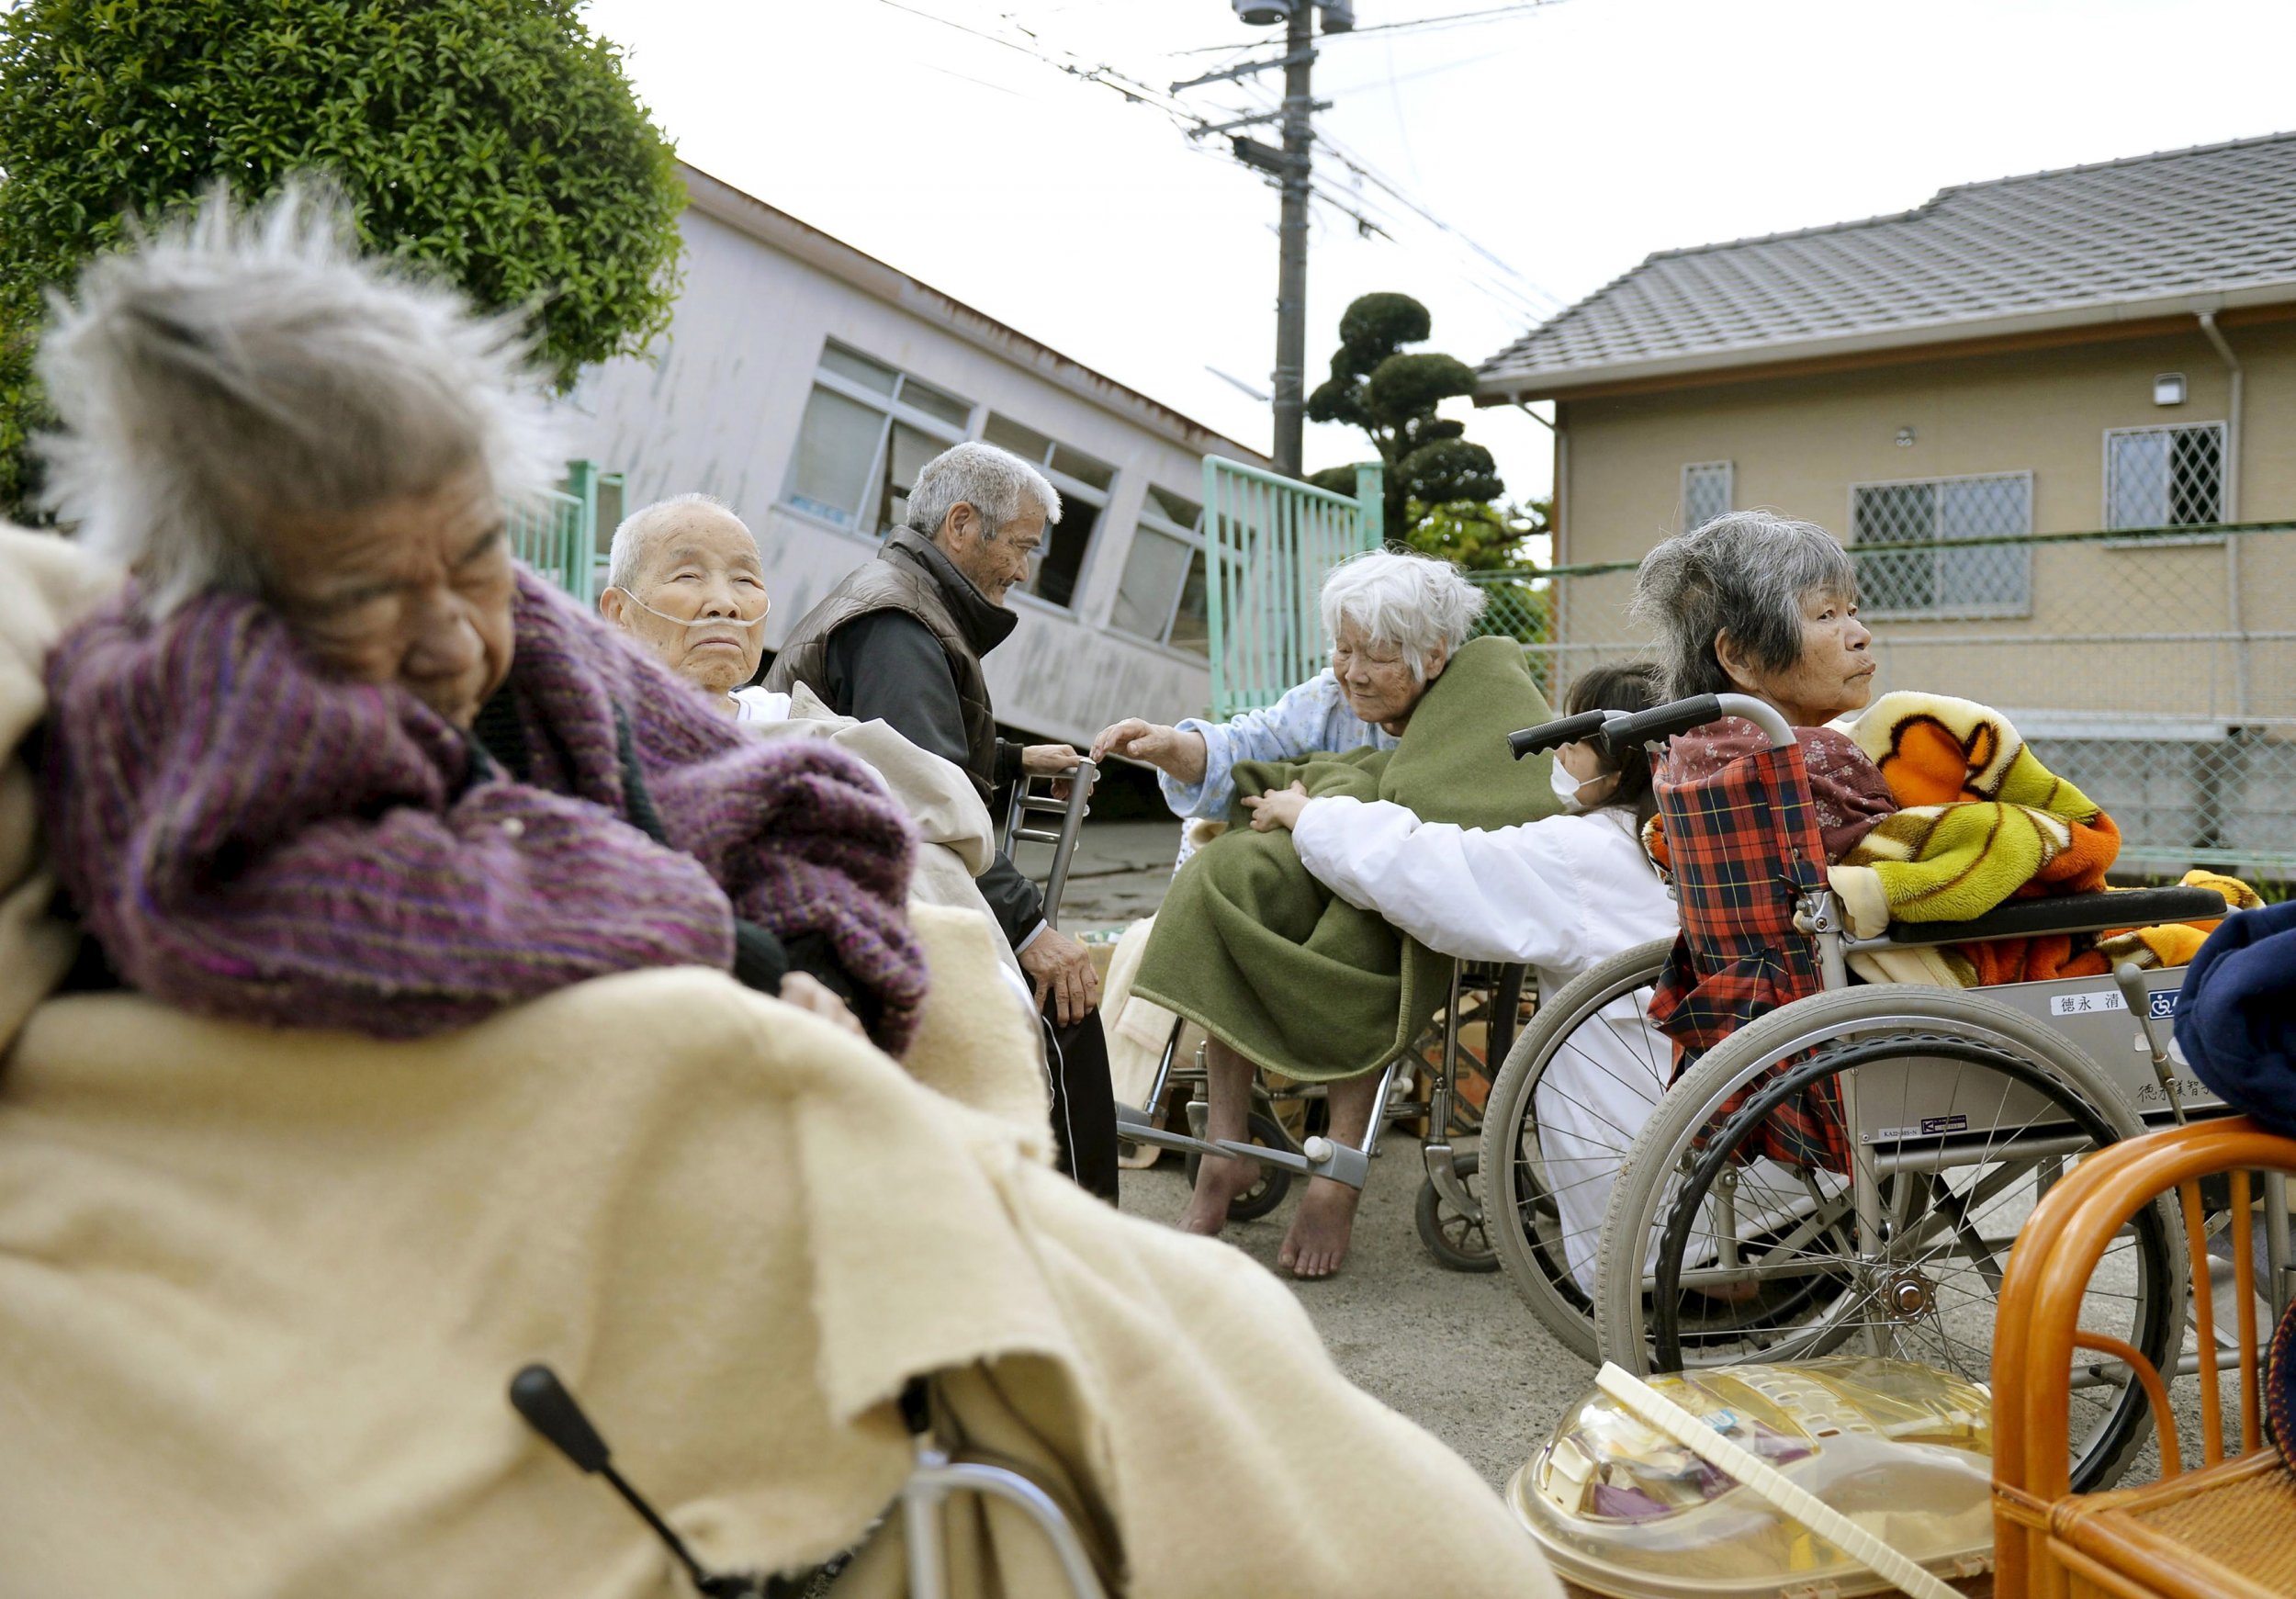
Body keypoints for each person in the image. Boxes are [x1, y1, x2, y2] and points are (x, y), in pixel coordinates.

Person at [35, 182, 926, 1052]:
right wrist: (723, 946)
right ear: (212, 599)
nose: (456, 639)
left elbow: (809, 809)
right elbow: (256, 909)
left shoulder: (541, 637)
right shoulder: (184, 682)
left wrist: (813, 973)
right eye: (363, 597)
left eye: (474, 562)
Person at [1097, 548, 1504, 1278]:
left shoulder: (1470, 712)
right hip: (1299, 887)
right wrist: (1172, 747)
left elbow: (1490, 813)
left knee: (1359, 938)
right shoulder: (1327, 697)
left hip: (1398, 907)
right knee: (1233, 909)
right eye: (1341, 649)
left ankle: (1336, 1172)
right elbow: (1246, 745)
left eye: (1372, 655)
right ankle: (1225, 1148)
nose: (1349, 671)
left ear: (1434, 654)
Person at [1239, 663, 1678, 1290]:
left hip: (1653, 1215)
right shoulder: (1686, 836)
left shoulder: (1580, 853)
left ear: (1619, 757)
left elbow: (1426, 868)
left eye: (1574, 742)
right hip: (1758, 1164)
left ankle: (1697, 1270)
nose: (1560, 753)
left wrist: (1307, 814)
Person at [767, 440, 1119, 1199]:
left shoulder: (896, 597)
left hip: (854, 865)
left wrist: (1018, 760)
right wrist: (1031, 930)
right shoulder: (899, 621)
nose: (1024, 569)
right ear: (962, 524)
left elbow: (909, 747)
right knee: (1069, 1011)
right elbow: (929, 803)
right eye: (1023, 546)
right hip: (871, 883)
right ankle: (1084, 1240)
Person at [1629, 511, 1895, 859]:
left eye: (1852, 611)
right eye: (1826, 614)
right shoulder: (1813, 760)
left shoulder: (1685, 751)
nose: (1861, 635)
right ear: (1740, 658)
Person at [595, 491, 784, 721]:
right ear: (618, 612)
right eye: (688, 576)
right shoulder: (574, 729)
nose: (725, 604)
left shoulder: (808, 733)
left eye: (744, 580)